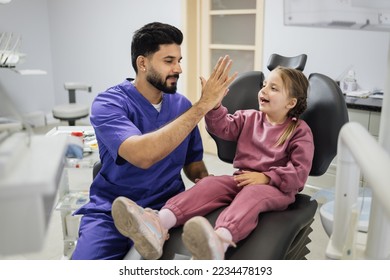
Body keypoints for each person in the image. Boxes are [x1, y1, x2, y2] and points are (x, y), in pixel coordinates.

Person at [111, 66, 315, 260]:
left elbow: (299, 173)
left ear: (291, 103)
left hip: (276, 188)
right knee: (210, 183)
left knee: (252, 194)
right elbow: (222, 127)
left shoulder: (299, 131)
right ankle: (159, 224)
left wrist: (266, 178)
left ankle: (219, 242)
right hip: (242, 178)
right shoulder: (249, 118)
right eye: (264, 85)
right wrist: (215, 105)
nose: (264, 90)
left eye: (274, 88)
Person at [71, 22, 236, 260]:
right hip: (113, 211)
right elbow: (143, 155)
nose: (178, 68)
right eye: (169, 61)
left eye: (180, 60)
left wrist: (209, 185)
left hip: (167, 209)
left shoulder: (181, 106)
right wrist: (202, 106)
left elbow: (193, 162)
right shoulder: (108, 104)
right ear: (143, 63)